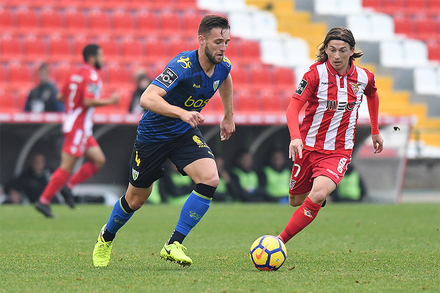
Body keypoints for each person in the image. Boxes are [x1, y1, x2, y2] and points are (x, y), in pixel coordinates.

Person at [92, 15, 235, 268]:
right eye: (217, 42)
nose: (223, 48)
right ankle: (106, 237)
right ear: (201, 40)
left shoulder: (223, 64)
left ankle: (173, 244)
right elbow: (147, 98)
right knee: (136, 199)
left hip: (183, 133)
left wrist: (228, 116)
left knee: (210, 178)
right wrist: (181, 112)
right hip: (153, 137)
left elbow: (225, 78)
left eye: (226, 42)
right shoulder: (182, 65)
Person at [276, 27, 384, 245]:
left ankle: (278, 241)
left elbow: (372, 95)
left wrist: (375, 130)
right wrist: (295, 136)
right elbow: (292, 107)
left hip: (338, 150)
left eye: (343, 50)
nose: (337, 56)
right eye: (332, 50)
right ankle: (319, 197)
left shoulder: (364, 77)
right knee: (295, 200)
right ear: (325, 49)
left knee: (317, 194)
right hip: (307, 146)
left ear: (352, 51)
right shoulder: (314, 75)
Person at [34, 44, 119, 218]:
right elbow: (88, 101)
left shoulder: (74, 74)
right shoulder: (92, 76)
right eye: (100, 56)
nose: (102, 60)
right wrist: (110, 100)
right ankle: (43, 201)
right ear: (92, 58)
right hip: (78, 127)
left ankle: (68, 187)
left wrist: (72, 106)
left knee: (98, 160)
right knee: (66, 167)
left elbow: (60, 96)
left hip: (77, 125)